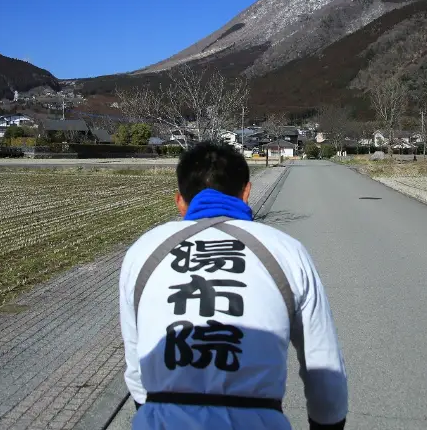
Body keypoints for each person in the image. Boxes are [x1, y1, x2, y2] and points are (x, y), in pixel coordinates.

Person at [119, 141, 348, 430]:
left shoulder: (143, 251)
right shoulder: (286, 250)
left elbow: (136, 365)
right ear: (247, 192)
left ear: (179, 201)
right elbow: (324, 367)